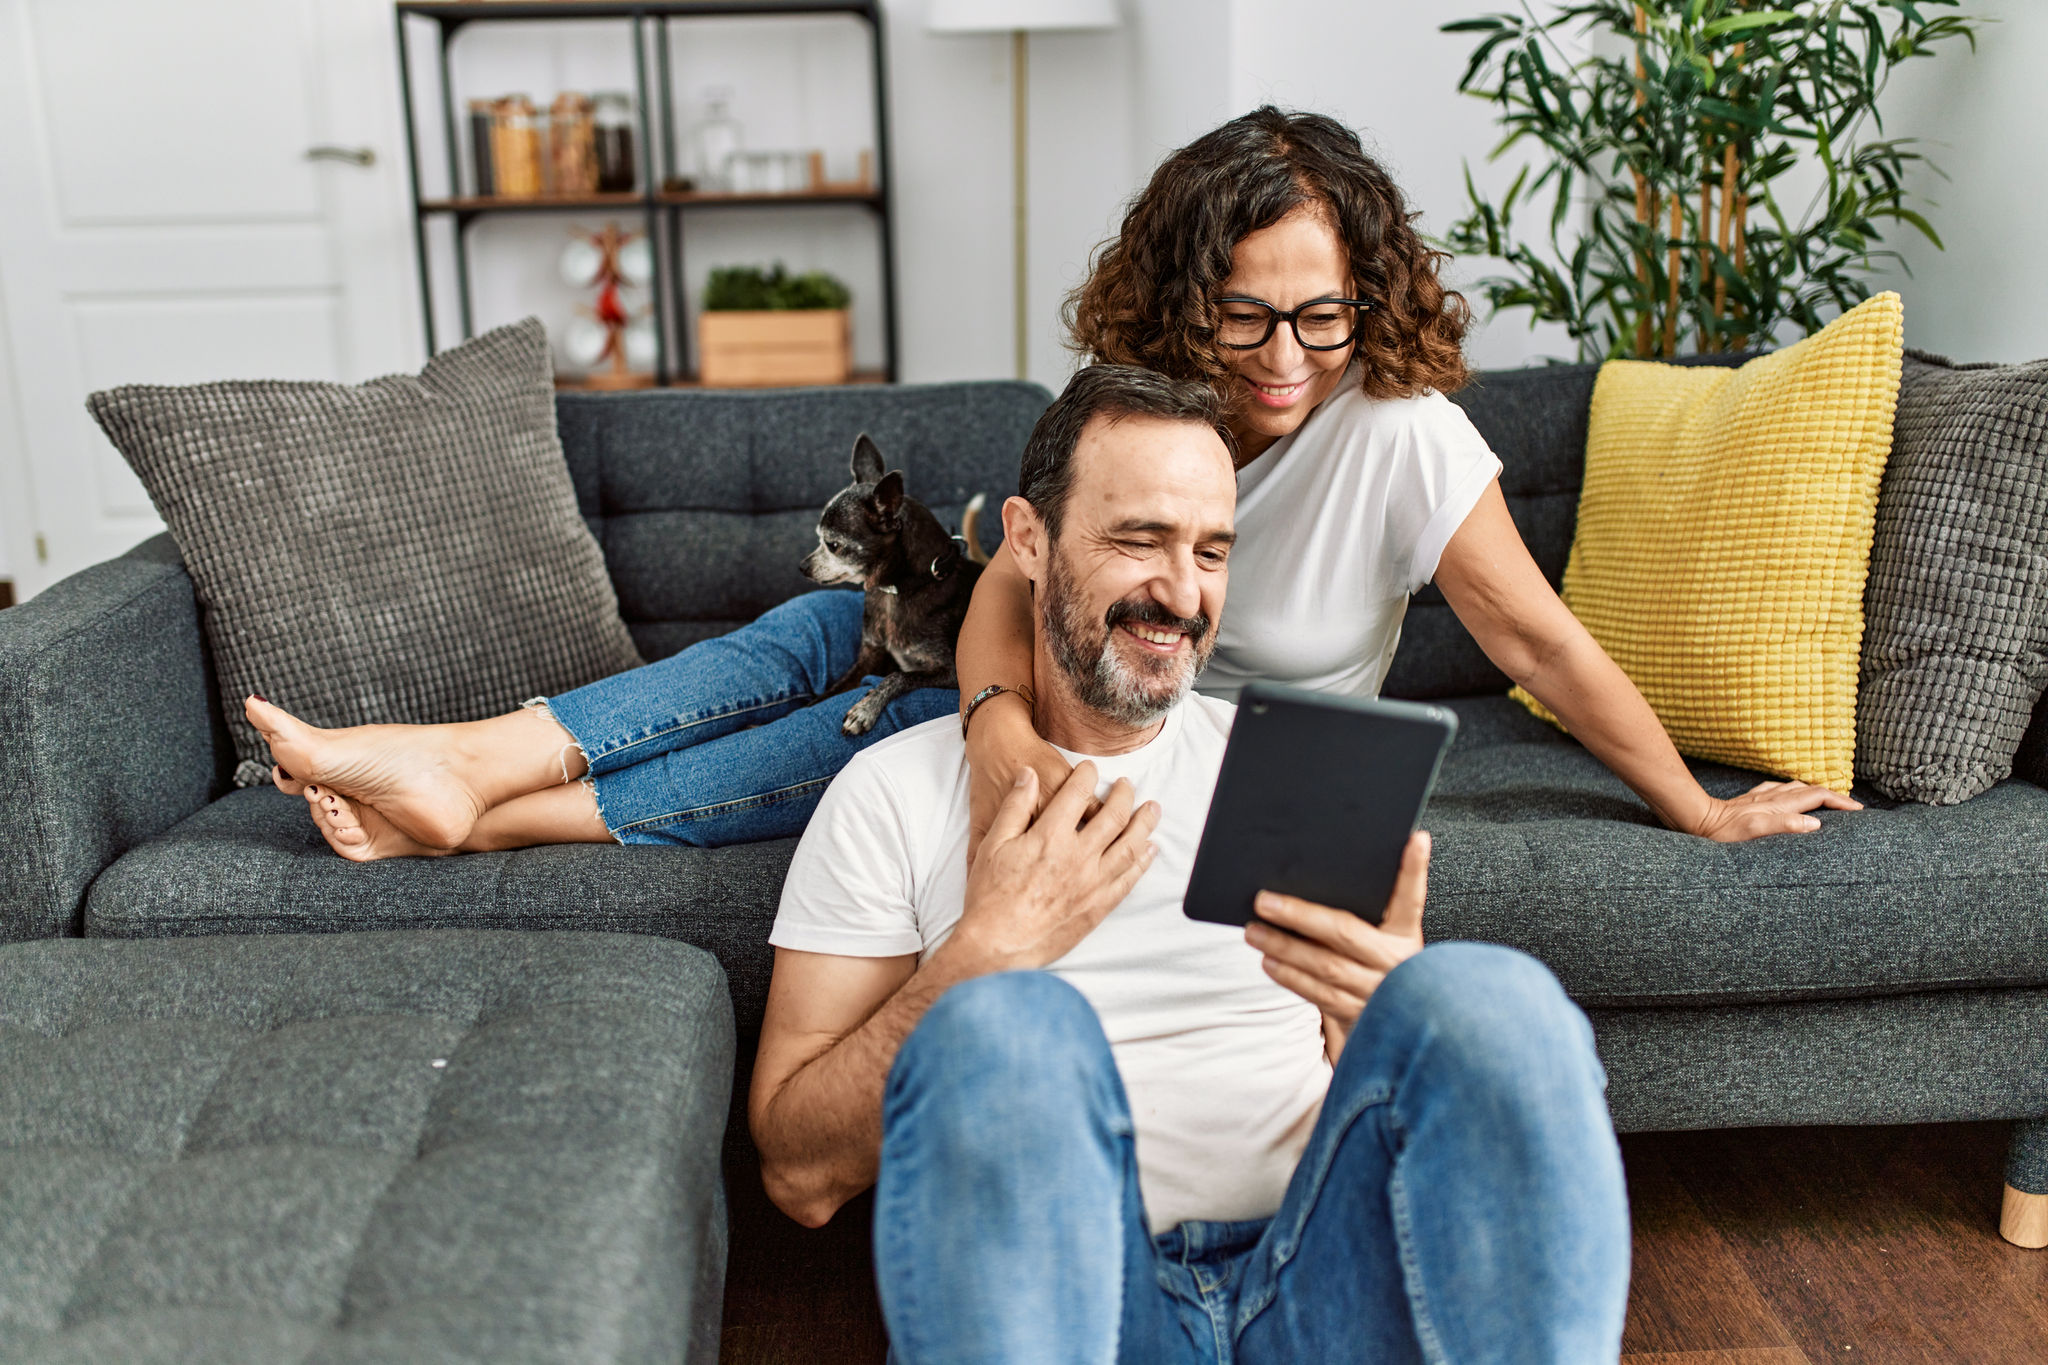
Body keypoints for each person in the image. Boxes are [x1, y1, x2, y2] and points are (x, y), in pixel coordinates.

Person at [246, 104, 1855, 860]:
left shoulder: (1404, 431)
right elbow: (1018, 596)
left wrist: (1700, 813)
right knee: (839, 640)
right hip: (1082, 700)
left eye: (1323, 311)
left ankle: (487, 820)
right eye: (1246, 315)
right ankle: (468, 765)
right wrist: (1002, 717)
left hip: (1231, 768)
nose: (1288, 354)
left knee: (891, 716)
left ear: (1366, 296)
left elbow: (1542, 648)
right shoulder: (1140, 414)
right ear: (1187, 298)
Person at [751, 363, 1631, 1363]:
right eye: (1138, 540)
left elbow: (1383, 1107)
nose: (1181, 592)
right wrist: (979, 954)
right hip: (1086, 1305)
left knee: (1490, 1002)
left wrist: (1367, 1016)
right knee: (1003, 1027)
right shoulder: (892, 796)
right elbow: (796, 1173)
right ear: (1026, 541)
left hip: (1318, 1281)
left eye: (1212, 550)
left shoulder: (1293, 767)